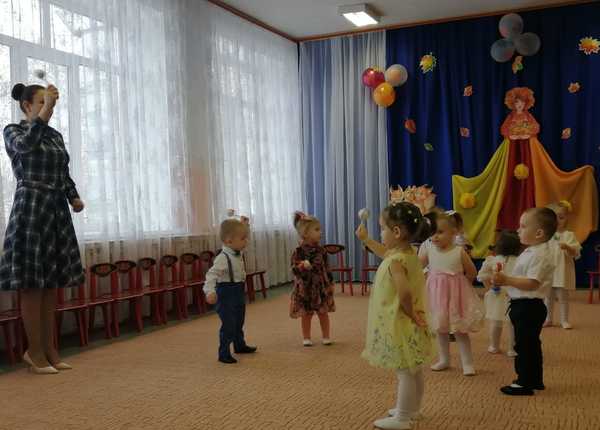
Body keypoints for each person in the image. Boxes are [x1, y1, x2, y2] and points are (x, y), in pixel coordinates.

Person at [0, 82, 85, 374]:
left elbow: (63, 172)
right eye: (41, 102)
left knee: (50, 286)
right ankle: (34, 351)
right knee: (32, 285)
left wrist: (73, 196)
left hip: (55, 210)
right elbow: (26, 147)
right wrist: (45, 111)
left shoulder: (55, 136)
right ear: (27, 105)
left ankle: (50, 350)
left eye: (49, 103)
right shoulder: (13, 130)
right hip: (31, 208)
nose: (47, 107)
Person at [357, 202, 435, 430]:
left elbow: (405, 292)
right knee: (413, 369)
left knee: (405, 372)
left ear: (397, 232)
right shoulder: (407, 253)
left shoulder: (395, 262)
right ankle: (413, 409)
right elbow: (385, 253)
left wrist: (410, 314)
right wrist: (366, 240)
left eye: (383, 229)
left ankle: (402, 417)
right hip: (410, 321)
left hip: (401, 322)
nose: (381, 233)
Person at [493, 208, 556, 396]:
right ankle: (534, 379)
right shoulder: (532, 251)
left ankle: (524, 383)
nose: (518, 230)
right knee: (530, 345)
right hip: (525, 305)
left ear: (539, 233)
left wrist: (507, 280)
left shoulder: (539, 255)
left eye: (523, 226)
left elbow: (532, 283)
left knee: (524, 346)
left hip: (529, 307)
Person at [204, 218, 257, 364]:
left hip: (238, 291)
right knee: (229, 325)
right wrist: (209, 291)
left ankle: (239, 345)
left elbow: (240, 235)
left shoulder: (237, 251)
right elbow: (211, 275)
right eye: (243, 238)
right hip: (226, 294)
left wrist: (245, 226)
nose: (246, 241)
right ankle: (224, 353)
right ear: (229, 241)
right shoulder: (223, 258)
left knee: (239, 321)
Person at [289, 211, 335, 346]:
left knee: (323, 313)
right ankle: (306, 337)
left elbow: (327, 267)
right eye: (317, 229)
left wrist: (330, 282)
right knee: (306, 314)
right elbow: (294, 269)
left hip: (320, 287)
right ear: (305, 234)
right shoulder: (298, 251)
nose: (321, 232)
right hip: (305, 288)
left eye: (320, 229)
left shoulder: (322, 250)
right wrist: (302, 266)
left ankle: (326, 336)